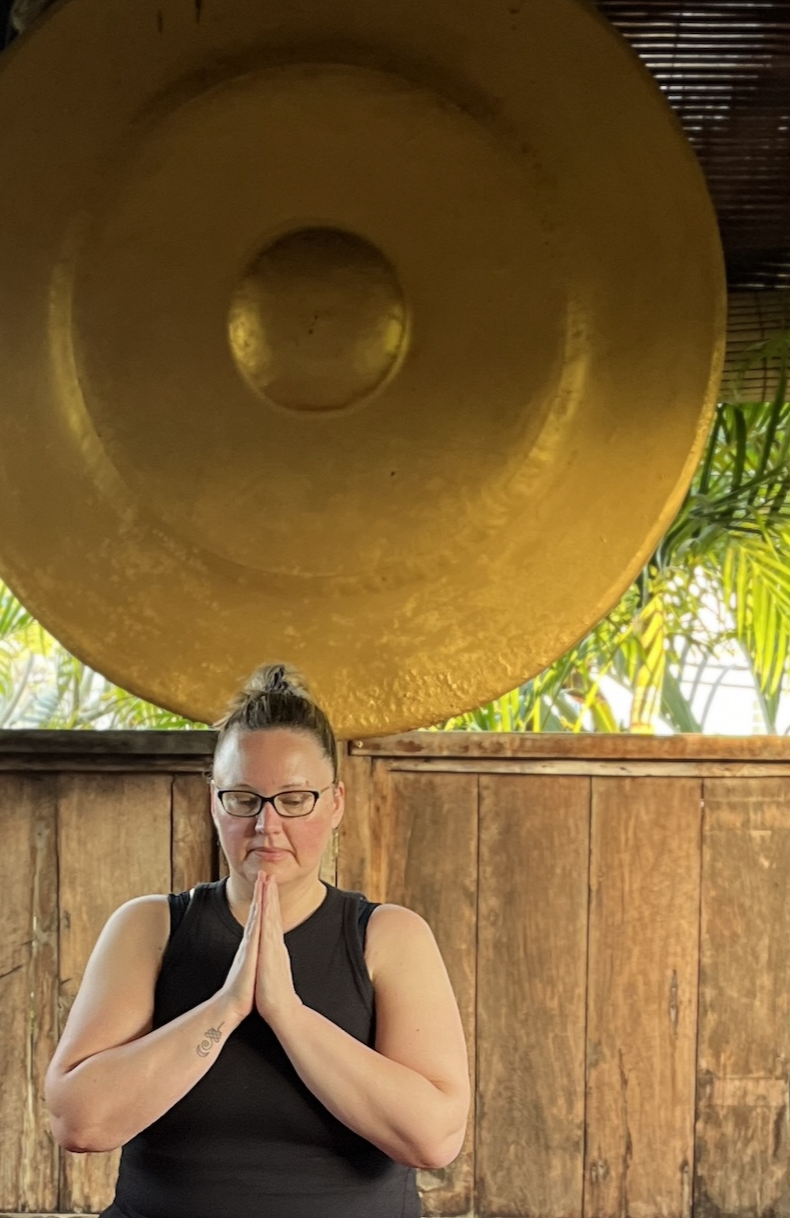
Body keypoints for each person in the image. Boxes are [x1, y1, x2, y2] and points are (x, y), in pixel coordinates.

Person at [45, 663, 470, 1218]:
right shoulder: (150, 927)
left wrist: (286, 1013)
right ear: (214, 801)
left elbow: (433, 1140)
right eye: (243, 799)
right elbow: (79, 1122)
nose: (267, 826)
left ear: (335, 803)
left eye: (295, 799)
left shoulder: (389, 937)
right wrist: (224, 1008)